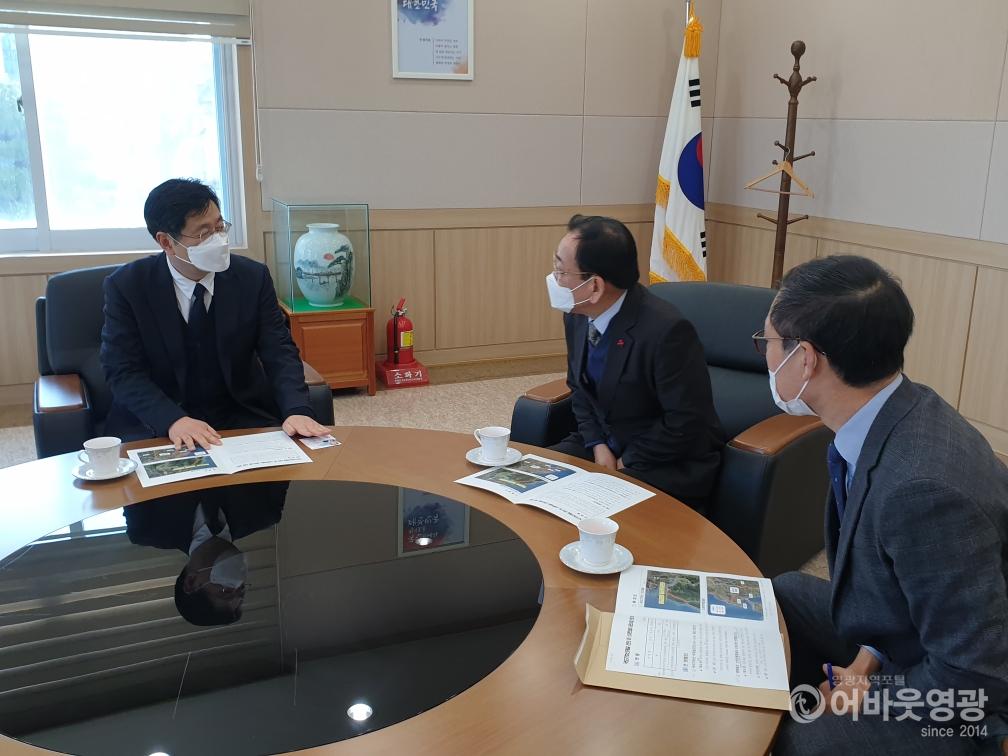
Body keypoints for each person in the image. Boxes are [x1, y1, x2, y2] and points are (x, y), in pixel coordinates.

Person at [764, 256, 1008, 755]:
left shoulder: (923, 490)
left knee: (799, 743)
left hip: (959, 704)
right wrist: (865, 660)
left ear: (805, 359)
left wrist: (865, 696)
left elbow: (972, 677)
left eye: (765, 342)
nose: (764, 356)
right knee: (783, 594)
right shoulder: (893, 409)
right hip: (910, 641)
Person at [100, 178, 330, 450]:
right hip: (160, 420)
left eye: (219, 227)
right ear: (166, 242)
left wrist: (297, 409)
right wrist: (173, 420)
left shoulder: (252, 278)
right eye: (203, 233)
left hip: (239, 413)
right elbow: (123, 370)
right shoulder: (127, 286)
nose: (218, 240)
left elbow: (279, 350)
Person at [546, 214, 724, 511]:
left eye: (561, 271)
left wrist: (625, 461)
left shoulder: (667, 331)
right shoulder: (577, 314)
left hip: (662, 460)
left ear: (595, 286)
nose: (555, 279)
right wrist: (597, 446)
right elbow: (578, 387)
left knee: (586, 511)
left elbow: (685, 421)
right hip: (603, 444)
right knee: (534, 481)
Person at [125, 482, 288, 626]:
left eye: (226, 591)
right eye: (241, 589)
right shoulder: (264, 512)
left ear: (191, 582)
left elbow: (126, 466)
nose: (238, 582)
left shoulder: (147, 528)